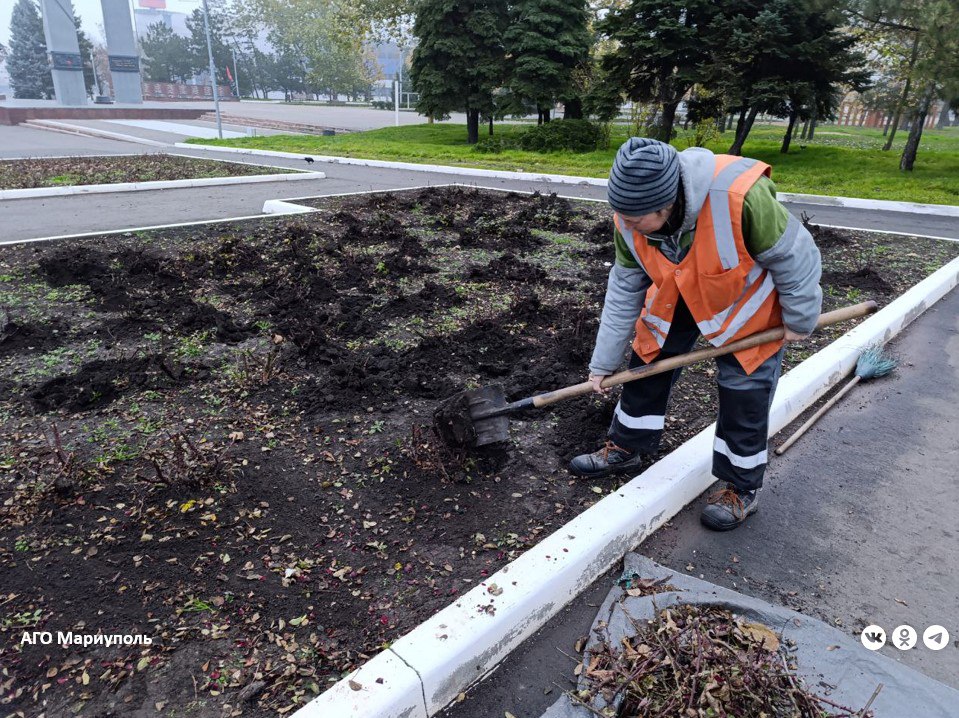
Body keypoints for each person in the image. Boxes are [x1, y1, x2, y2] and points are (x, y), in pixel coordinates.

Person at [570, 137, 822, 531]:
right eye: (621, 215)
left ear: (666, 205)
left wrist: (800, 318)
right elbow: (624, 290)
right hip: (677, 291)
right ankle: (628, 447)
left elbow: (797, 254)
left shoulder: (740, 196)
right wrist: (602, 364)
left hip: (742, 301)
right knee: (648, 362)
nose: (625, 225)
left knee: (744, 389)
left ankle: (740, 487)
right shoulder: (628, 216)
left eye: (635, 219)